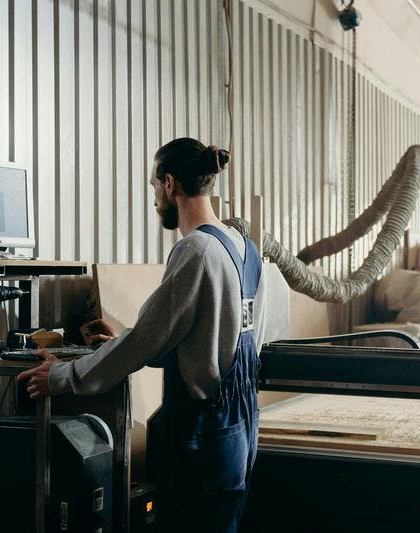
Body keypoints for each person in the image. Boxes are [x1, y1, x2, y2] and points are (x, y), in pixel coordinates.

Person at [17, 138, 265, 532]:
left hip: (201, 433)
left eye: (153, 185)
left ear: (170, 184)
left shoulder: (196, 251)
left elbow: (142, 343)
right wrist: (125, 343)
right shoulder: (245, 249)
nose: (154, 198)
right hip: (239, 430)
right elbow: (215, 340)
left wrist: (61, 376)